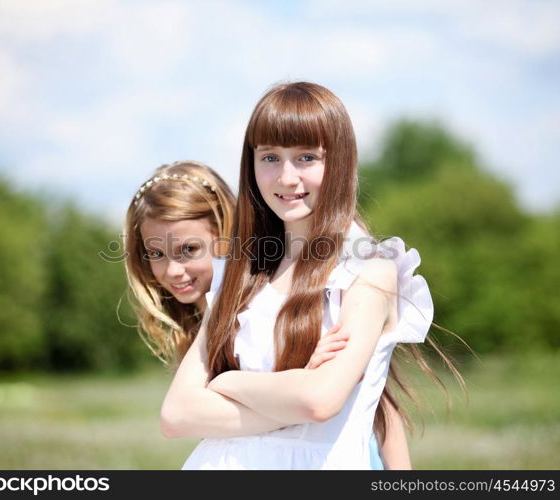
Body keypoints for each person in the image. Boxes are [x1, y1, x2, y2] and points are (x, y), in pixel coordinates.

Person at [159, 82, 448, 470]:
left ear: (340, 162)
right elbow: (177, 415)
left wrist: (227, 383)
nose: (286, 177)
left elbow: (320, 401)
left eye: (307, 158)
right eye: (270, 157)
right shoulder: (240, 272)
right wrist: (291, 388)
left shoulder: (369, 271)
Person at [125, 160, 411, 469]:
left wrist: (226, 383)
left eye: (189, 250)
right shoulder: (203, 318)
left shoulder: (266, 298)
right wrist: (292, 396)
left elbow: (377, 402)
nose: (173, 271)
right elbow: (182, 415)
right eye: (155, 254)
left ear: (226, 237)